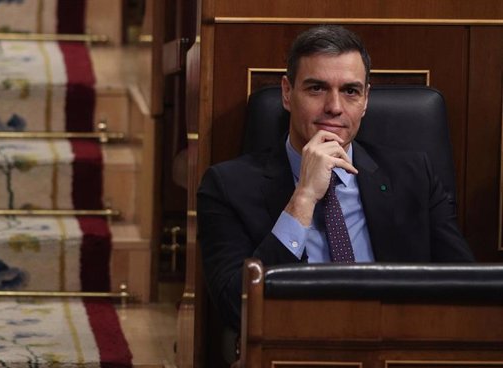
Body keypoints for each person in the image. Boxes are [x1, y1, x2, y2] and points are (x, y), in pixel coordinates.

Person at [197, 25, 474, 333]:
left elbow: (468, 290)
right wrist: (302, 198)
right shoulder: (226, 186)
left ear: (366, 99)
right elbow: (236, 307)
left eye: (350, 91)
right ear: (287, 93)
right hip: (294, 352)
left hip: (398, 350)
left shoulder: (414, 176)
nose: (334, 107)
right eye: (316, 88)